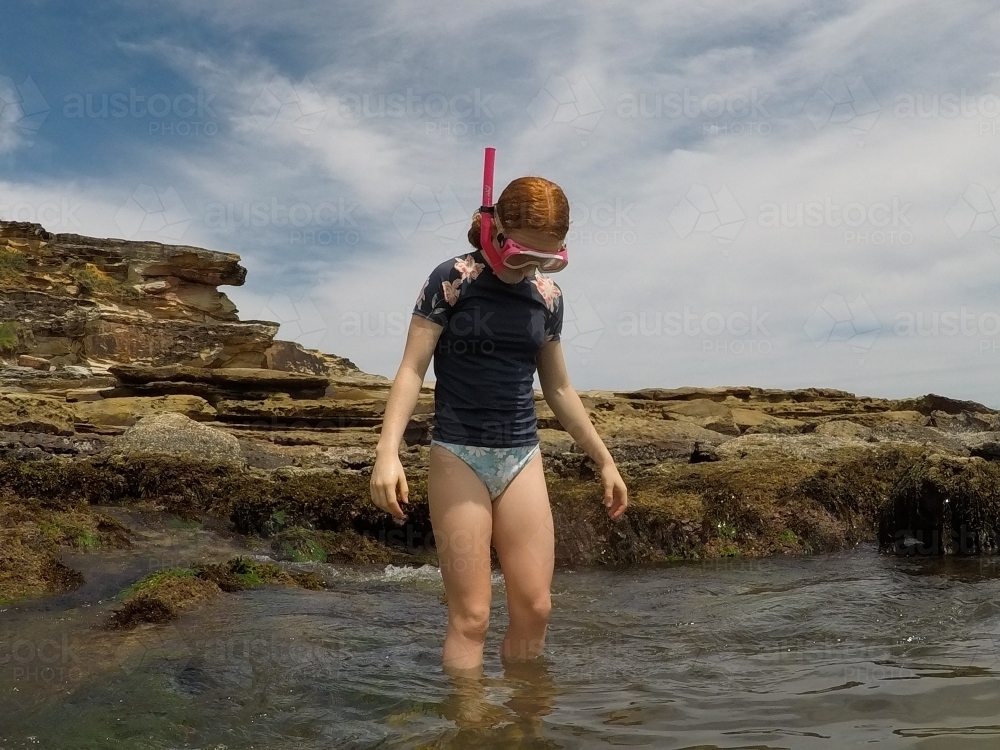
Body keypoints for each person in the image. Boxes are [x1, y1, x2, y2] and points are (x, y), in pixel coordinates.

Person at [370, 173, 628, 676]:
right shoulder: (453, 279)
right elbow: (412, 370)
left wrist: (604, 460)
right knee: (472, 617)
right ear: (496, 228)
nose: (530, 268)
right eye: (521, 254)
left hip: (521, 455)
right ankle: (470, 718)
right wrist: (387, 453)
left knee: (536, 608)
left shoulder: (547, 296)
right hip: (458, 454)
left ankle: (525, 715)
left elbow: (559, 389)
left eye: (546, 259)